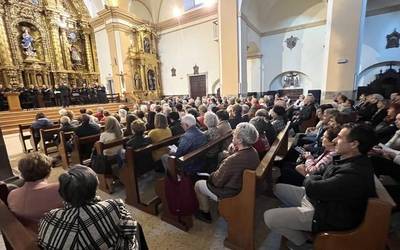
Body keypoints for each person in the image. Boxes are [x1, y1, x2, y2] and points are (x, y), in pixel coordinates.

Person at [264, 124, 377, 249]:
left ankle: (303, 244)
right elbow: (317, 176)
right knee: (278, 188)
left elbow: (313, 186)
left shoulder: (354, 173)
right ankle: (295, 221)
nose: (334, 141)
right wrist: (313, 178)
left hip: (325, 214)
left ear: (354, 144)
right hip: (319, 200)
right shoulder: (345, 158)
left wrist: (308, 176)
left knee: (269, 217)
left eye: (339, 138)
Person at [38, 165, 139, 249]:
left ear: (63, 193)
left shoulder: (48, 218)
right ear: (94, 189)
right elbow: (131, 231)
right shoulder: (114, 206)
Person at [194, 122, 260, 223]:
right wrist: (231, 154)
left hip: (231, 192)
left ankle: (204, 212)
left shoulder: (233, 160)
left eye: (235, 134)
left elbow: (217, 181)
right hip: (242, 187)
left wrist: (210, 176)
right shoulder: (253, 151)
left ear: (240, 139)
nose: (233, 134)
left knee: (198, 184)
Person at [7, 152, 63, 230]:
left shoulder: (12, 195)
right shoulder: (59, 189)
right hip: (55, 234)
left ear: (22, 174)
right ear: (49, 171)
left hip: (26, 235)